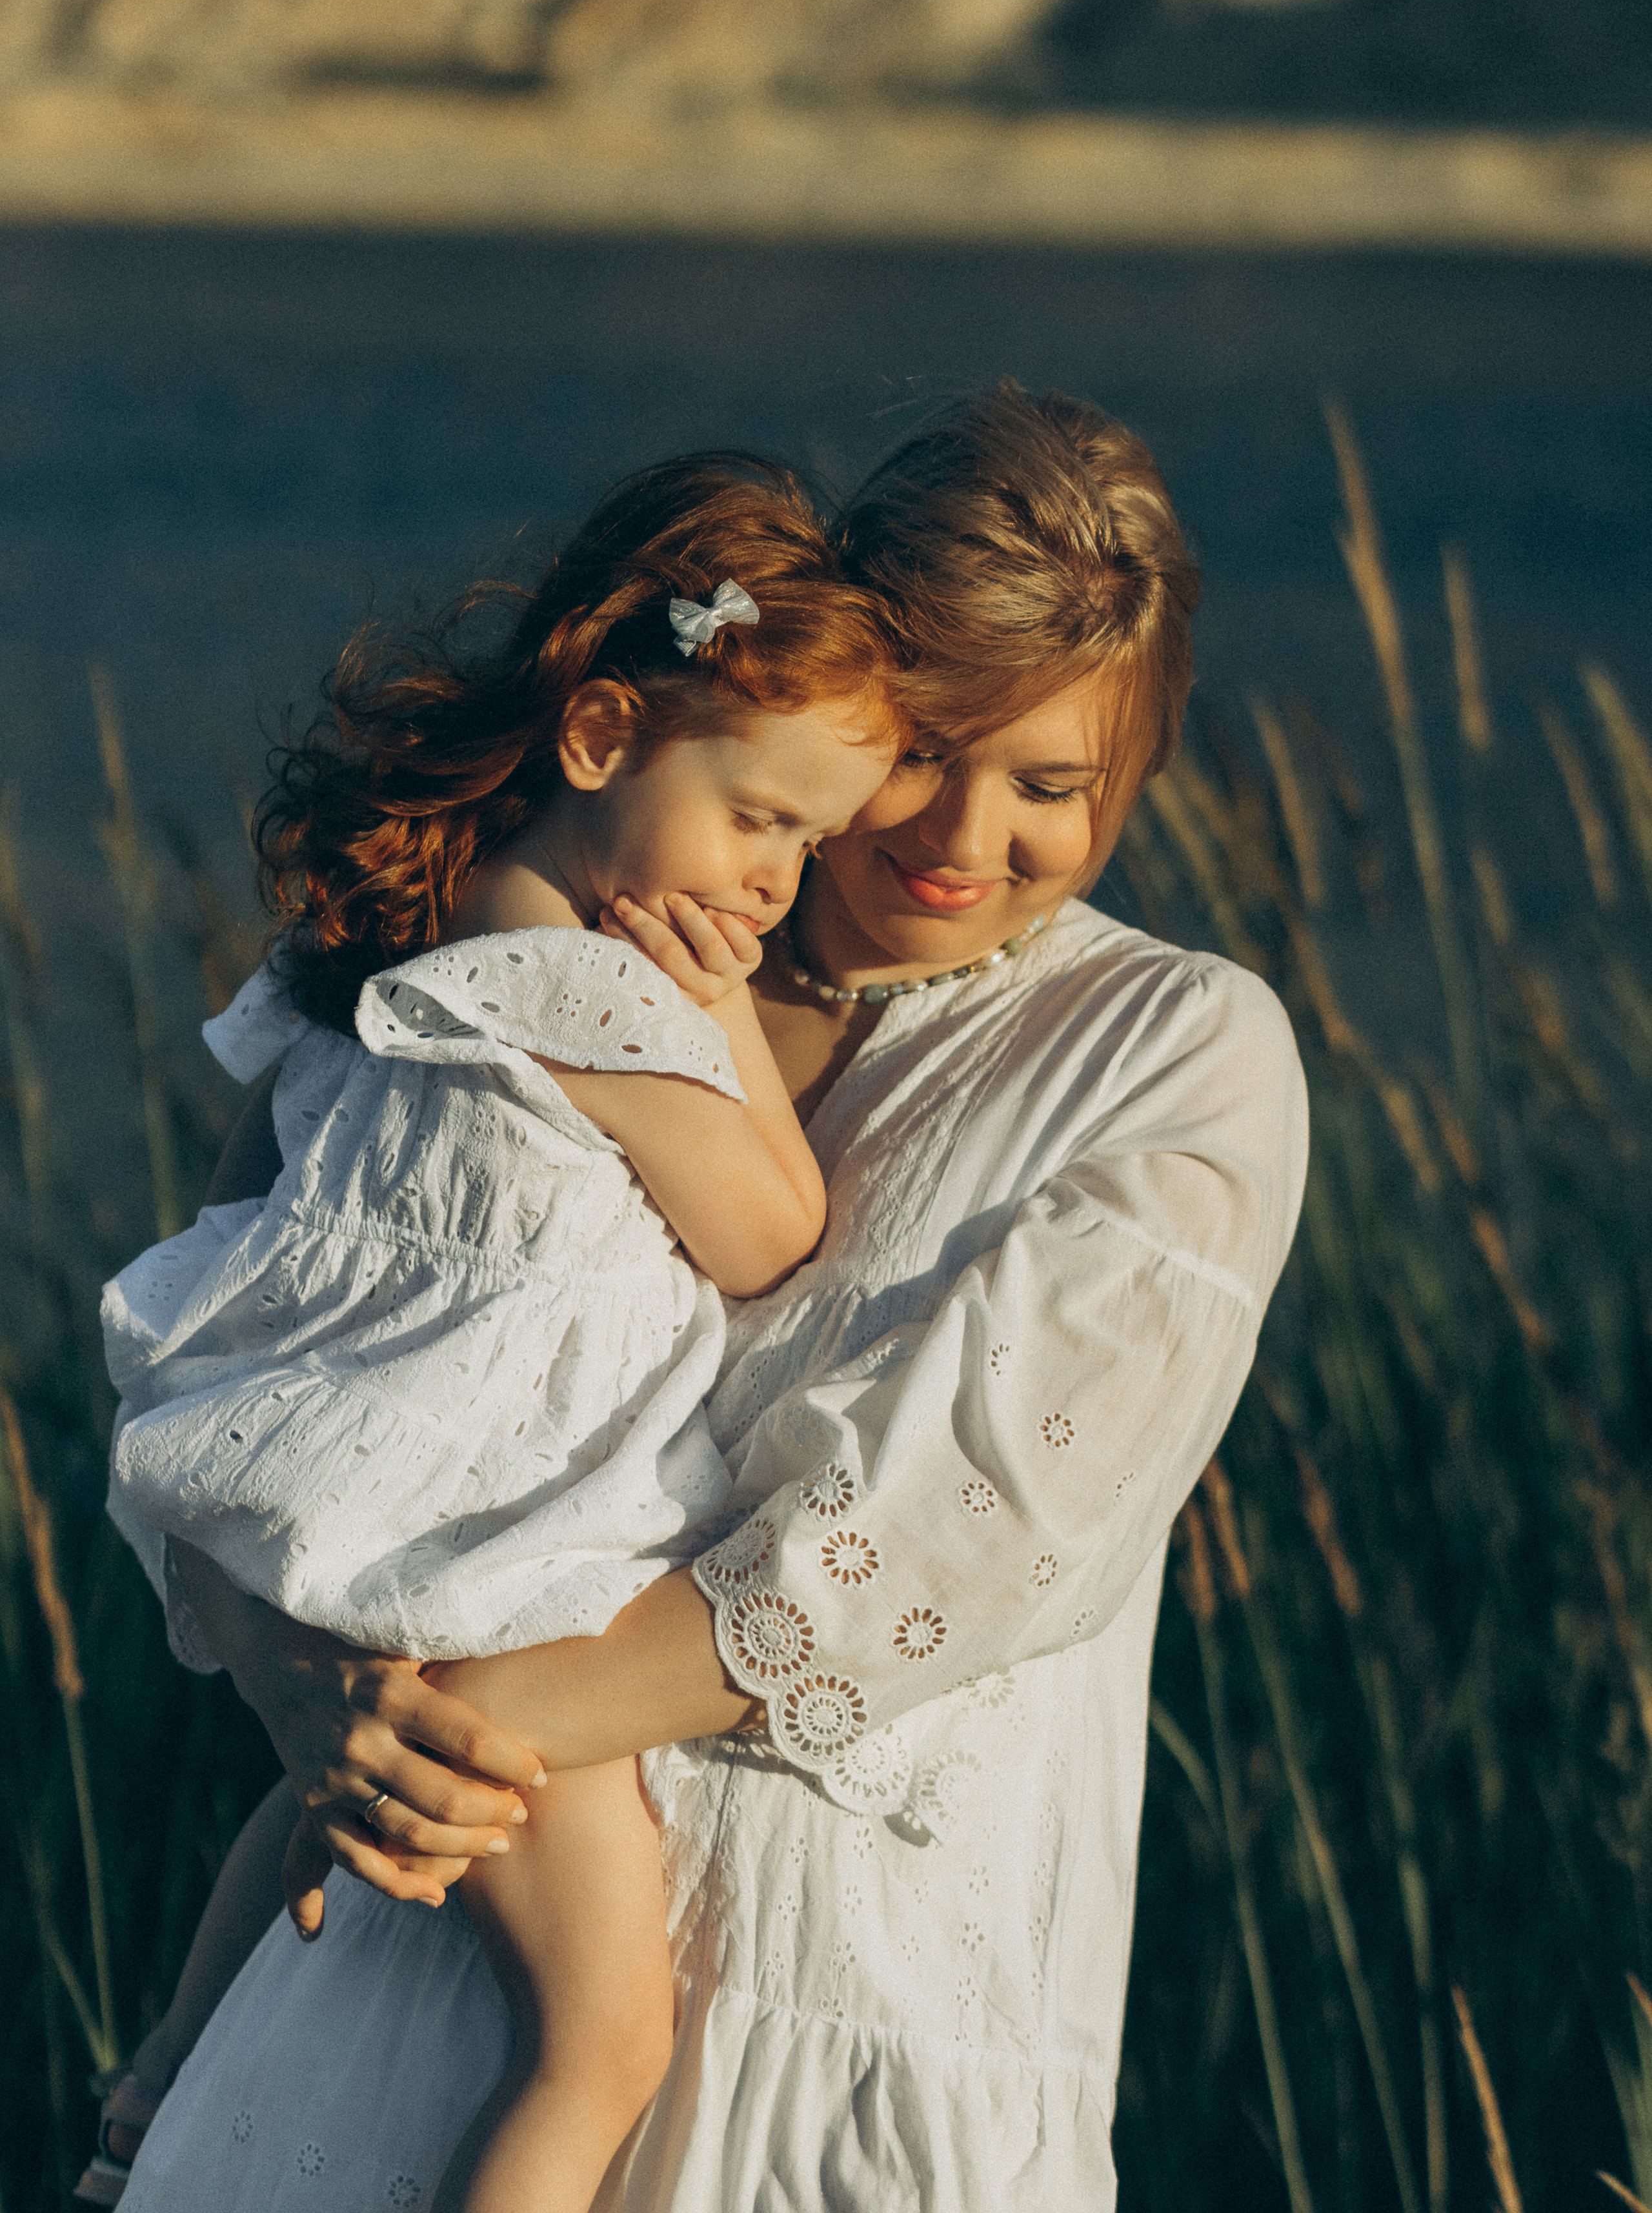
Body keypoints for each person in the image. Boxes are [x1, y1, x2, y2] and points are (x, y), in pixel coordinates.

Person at [111, 382, 1308, 2213]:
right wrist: (312, 1700)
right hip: (436, 1944)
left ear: (1135, 776)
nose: (964, 837)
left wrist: (459, 1719)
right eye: (927, 750)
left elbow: (942, 1540)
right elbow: (238, 1362)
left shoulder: (1174, 1056)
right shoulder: (524, 932)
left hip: (846, 2031)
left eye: (1055, 785)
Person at [91, 457, 904, 2213]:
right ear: (604, 732)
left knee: (312, 1812)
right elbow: (772, 1231)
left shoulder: (415, 930)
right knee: (603, 2036)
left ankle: (152, 2094)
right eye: (759, 818)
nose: (777, 884)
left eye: (812, 846)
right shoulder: (587, 980)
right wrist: (722, 1015)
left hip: (368, 1514)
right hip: (494, 1567)